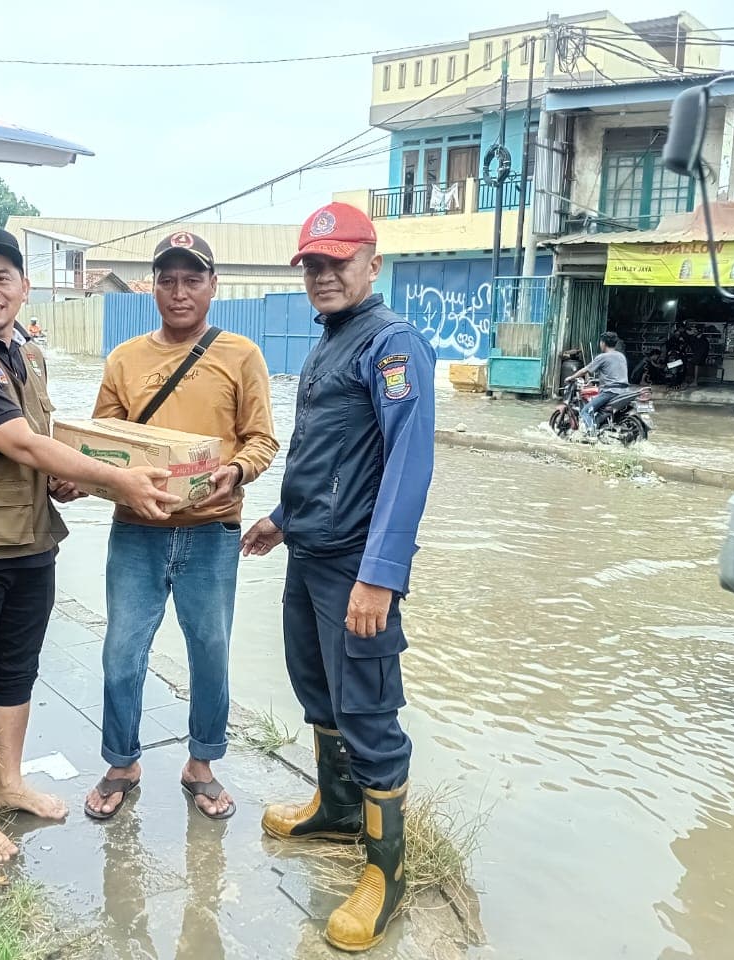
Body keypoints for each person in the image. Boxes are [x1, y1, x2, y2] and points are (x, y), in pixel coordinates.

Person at [0, 224, 180, 863]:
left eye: (2, 278)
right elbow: (23, 443)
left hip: (30, 539)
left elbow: (44, 440)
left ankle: (7, 782)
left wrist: (69, 479)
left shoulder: (25, 353)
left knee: (16, 670)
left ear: (25, 288)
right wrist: (119, 480)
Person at [240, 202, 435, 952]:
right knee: (317, 691)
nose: (324, 275)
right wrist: (282, 519)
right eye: (313, 265)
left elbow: (408, 466)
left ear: (372, 263)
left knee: (370, 713)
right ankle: (336, 807)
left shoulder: (392, 345)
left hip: (357, 567)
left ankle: (386, 872)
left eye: (338, 262)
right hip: (309, 555)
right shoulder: (330, 343)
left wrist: (380, 578)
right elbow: (320, 456)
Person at [83, 232, 278, 822]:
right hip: (136, 529)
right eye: (167, 280)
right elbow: (101, 446)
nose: (179, 291)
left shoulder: (241, 354)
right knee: (122, 650)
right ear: (152, 288)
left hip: (212, 530)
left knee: (211, 651)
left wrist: (237, 471)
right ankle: (122, 761)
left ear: (213, 287)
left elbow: (263, 439)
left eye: (192, 279)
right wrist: (87, 475)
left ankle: (202, 765)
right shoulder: (124, 359)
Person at [565, 331, 629, 437]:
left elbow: (585, 370)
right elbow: (614, 375)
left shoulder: (602, 357)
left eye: (600, 342)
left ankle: (591, 434)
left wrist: (571, 377)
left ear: (603, 343)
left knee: (585, 412)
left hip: (610, 392)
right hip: (623, 392)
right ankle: (599, 427)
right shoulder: (621, 356)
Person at [686, 323, 710, 387]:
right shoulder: (697, 338)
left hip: (700, 355)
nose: (693, 331)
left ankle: (695, 381)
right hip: (698, 354)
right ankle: (694, 380)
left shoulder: (703, 340)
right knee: (693, 363)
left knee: (696, 363)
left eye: (695, 330)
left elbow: (701, 351)